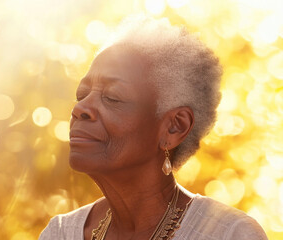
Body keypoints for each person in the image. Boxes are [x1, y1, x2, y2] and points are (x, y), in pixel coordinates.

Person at [39, 16, 268, 240]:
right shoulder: (60, 233)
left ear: (174, 128)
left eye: (112, 97)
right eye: (82, 94)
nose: (81, 108)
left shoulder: (230, 233)